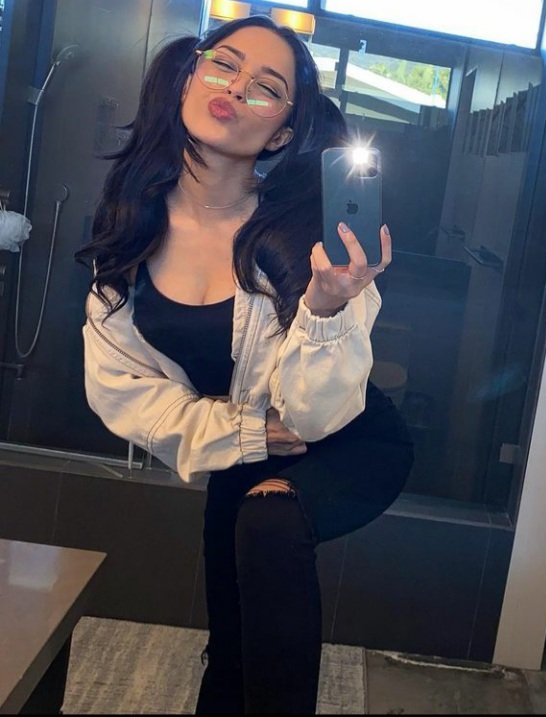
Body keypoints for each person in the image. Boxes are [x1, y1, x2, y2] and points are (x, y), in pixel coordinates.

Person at [74, 13, 414, 716]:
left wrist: (326, 303)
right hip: (242, 446)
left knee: (269, 526)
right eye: (224, 65)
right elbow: (121, 389)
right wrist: (245, 432)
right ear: (189, 77)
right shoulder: (133, 228)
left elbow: (314, 417)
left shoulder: (307, 238)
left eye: (267, 87)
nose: (236, 88)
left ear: (282, 132)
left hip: (350, 439)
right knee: (231, 643)